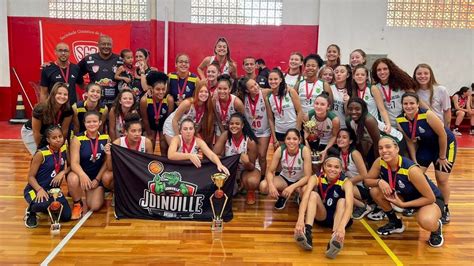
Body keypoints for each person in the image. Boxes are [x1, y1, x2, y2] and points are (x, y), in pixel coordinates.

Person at [365, 136, 445, 248]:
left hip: (429, 200)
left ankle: (436, 229)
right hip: (406, 196)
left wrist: (403, 205)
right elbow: (367, 181)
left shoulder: (412, 170)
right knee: (375, 191)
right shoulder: (380, 162)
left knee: (426, 220)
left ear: (397, 148)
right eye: (380, 148)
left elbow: (430, 198)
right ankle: (395, 223)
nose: (384, 151)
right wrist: (379, 182)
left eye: (388, 147)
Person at [396, 92, 456, 223]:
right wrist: (414, 160)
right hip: (426, 146)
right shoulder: (400, 120)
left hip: (444, 144)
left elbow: (443, 135)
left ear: (417, 104)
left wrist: (442, 156)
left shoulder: (427, 114)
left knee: (442, 178)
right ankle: (416, 203)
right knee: (415, 174)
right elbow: (410, 141)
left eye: (412, 103)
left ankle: (444, 208)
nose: (409, 106)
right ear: (402, 105)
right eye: (405, 103)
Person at [293, 155, 353, 258]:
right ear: (324, 167)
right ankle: (307, 232)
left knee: (343, 201)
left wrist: (342, 227)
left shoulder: (346, 182)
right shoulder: (316, 177)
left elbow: (349, 206)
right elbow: (305, 197)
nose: (332, 169)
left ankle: (335, 238)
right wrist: (300, 219)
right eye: (329, 166)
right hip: (322, 215)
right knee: (312, 195)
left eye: (336, 167)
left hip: (339, 219)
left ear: (341, 169)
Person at [23, 125, 71, 228]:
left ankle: (46, 205)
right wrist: (39, 189)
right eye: (54, 138)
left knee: (66, 216)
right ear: (48, 140)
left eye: (60, 136)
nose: (58, 140)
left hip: (54, 190)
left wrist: (62, 173)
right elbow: (30, 177)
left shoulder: (63, 149)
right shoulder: (41, 154)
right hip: (36, 189)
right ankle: (31, 212)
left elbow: (71, 166)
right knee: (42, 204)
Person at [67, 111, 110, 219]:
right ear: (84, 123)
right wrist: (82, 175)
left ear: (100, 122)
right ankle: (77, 204)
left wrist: (97, 179)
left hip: (96, 176)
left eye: (95, 121)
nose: (92, 124)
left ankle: (97, 191)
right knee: (72, 178)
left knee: (94, 207)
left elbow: (106, 162)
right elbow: (74, 163)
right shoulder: (77, 139)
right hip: (82, 175)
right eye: (88, 122)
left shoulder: (106, 138)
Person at [214, 113, 260, 204]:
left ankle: (250, 191)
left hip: (247, 169)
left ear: (242, 126)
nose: (234, 126)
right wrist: (223, 160)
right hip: (230, 168)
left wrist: (246, 163)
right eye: (231, 124)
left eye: (237, 124)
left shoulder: (250, 141)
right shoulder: (225, 135)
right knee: (232, 193)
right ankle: (237, 184)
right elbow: (215, 155)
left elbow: (251, 167)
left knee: (252, 181)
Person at [259, 129, 312, 210]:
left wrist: (292, 187)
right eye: (288, 139)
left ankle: (296, 194)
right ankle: (282, 195)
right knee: (263, 186)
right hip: (284, 179)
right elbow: (270, 171)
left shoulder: (304, 150)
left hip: (299, 181)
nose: (291, 141)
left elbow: (307, 176)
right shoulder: (280, 150)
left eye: (294, 139)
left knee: (306, 192)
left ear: (299, 140)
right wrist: (271, 185)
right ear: (285, 140)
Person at [346, 97, 403, 166]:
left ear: (363, 109)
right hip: (379, 143)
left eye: (357, 109)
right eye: (350, 109)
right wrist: (363, 159)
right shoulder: (349, 121)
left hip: (395, 140)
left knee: (385, 165)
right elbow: (357, 141)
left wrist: (378, 165)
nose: (353, 112)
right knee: (368, 162)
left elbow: (377, 143)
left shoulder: (368, 120)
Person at [21, 82, 73, 155]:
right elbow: (36, 132)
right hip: (31, 132)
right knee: (42, 158)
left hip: (49, 133)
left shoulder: (68, 110)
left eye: (65, 94)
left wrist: (59, 147)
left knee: (54, 156)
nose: (62, 96)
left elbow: (64, 131)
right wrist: (42, 150)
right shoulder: (40, 109)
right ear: (53, 94)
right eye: (59, 93)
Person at [237, 77, 271, 179]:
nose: (256, 87)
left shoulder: (264, 92)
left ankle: (262, 177)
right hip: (251, 132)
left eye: (256, 84)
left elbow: (277, 89)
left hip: (264, 131)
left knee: (262, 155)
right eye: (252, 87)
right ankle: (248, 177)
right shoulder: (243, 97)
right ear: (247, 90)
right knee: (252, 157)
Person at [333, 129, 371, 219]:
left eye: (344, 137)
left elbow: (364, 174)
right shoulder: (339, 153)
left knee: (339, 187)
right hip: (351, 185)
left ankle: (363, 206)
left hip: (362, 187)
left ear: (350, 141)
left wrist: (347, 182)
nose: (340, 139)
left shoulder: (355, 153)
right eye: (339, 137)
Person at [163, 81, 215, 146]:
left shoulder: (206, 107)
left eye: (206, 92)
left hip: (185, 129)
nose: (204, 94)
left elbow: (197, 127)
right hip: (172, 127)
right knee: (178, 150)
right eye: (201, 91)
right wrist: (179, 139)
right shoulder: (187, 103)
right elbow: (174, 120)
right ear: (196, 92)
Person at [371, 58, 417, 128]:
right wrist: (388, 125)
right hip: (389, 125)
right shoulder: (376, 88)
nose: (382, 72)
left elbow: (415, 98)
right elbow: (382, 109)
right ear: (375, 72)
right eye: (379, 70)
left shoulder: (400, 83)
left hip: (406, 123)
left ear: (390, 70)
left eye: (385, 69)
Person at [78, 35, 122, 107]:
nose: (106, 46)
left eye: (109, 44)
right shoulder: (89, 59)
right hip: (95, 101)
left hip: (115, 102)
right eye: (103, 44)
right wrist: (84, 86)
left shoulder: (120, 60)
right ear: (98, 45)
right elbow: (76, 73)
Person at [265, 68, 303, 148]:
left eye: (275, 79)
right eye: (270, 79)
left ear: (281, 80)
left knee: (295, 157)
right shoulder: (268, 97)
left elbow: (300, 112)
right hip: (279, 132)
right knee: (281, 158)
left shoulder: (290, 92)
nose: (273, 81)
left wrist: (297, 131)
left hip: (293, 129)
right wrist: (274, 138)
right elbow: (270, 119)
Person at [141, 71, 175, 154]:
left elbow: (169, 120)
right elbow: (145, 119)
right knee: (149, 143)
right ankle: (148, 164)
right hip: (150, 125)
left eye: (163, 89)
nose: (161, 92)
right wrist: (149, 134)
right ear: (152, 89)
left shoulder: (169, 100)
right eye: (158, 89)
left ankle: (164, 164)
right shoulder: (144, 100)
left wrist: (164, 134)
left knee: (164, 145)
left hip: (163, 125)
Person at [351, 64, 392, 133]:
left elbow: (382, 109)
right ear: (353, 77)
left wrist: (388, 124)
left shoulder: (372, 88)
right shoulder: (353, 91)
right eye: (357, 75)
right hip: (361, 127)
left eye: (362, 75)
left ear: (367, 77)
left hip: (376, 125)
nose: (360, 76)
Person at [303, 92, 340, 165]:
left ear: (328, 107)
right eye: (316, 103)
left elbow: (334, 136)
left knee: (325, 163)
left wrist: (326, 150)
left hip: (328, 144)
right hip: (313, 143)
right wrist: (308, 149)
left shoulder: (334, 120)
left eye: (322, 104)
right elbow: (306, 134)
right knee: (312, 163)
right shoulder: (308, 116)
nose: (318, 106)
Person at [295, 54, 332, 121]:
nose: (310, 68)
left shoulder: (324, 84)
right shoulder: (299, 84)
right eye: (308, 66)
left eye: (313, 66)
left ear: (318, 68)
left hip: (318, 121)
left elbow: (330, 105)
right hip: (301, 120)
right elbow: (293, 104)